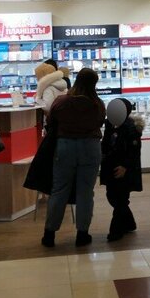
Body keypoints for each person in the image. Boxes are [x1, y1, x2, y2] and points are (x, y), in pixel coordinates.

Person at [42, 67, 105, 247]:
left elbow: (51, 122)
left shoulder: (62, 101)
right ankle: (82, 234)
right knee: (86, 191)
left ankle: (49, 234)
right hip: (90, 147)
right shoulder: (97, 104)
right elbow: (100, 121)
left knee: (59, 190)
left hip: (65, 146)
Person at [100, 98, 143, 242]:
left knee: (120, 199)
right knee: (112, 196)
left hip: (125, 170)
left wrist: (125, 166)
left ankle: (115, 231)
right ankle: (129, 223)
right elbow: (106, 144)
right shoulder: (110, 125)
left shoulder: (131, 128)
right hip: (111, 167)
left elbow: (134, 151)